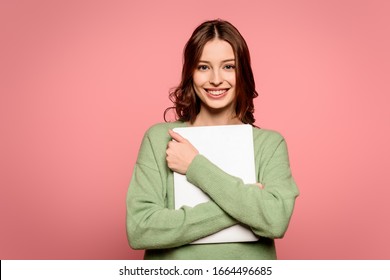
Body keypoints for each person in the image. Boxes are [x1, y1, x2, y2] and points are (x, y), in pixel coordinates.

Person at [126, 19, 299, 260]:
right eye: (203, 67)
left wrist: (196, 166)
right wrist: (244, 206)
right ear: (190, 73)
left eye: (229, 66)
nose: (216, 79)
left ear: (243, 72)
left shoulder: (269, 145)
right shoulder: (159, 139)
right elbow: (141, 228)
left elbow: (275, 219)